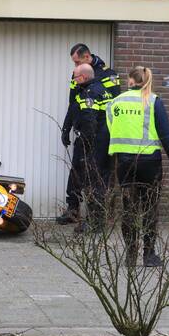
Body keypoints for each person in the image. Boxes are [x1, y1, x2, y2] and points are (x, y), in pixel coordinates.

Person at [106, 66, 169, 268]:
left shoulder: (115, 102)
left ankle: (130, 256)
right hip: (150, 163)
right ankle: (149, 255)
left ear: (131, 81)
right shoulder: (153, 101)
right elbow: (166, 135)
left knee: (129, 209)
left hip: (124, 163)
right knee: (149, 208)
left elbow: (111, 129)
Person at [57, 43, 121, 225]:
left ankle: (99, 216)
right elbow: (73, 104)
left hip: (101, 135)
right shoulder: (77, 74)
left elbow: (115, 106)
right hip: (83, 133)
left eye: (77, 62)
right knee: (77, 169)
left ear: (87, 57)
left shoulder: (109, 75)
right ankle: (73, 210)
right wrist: (66, 127)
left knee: (99, 174)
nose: (75, 66)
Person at [64, 63, 113, 233]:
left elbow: (89, 121)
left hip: (94, 144)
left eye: (76, 78)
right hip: (105, 143)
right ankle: (96, 221)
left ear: (83, 77)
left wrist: (85, 146)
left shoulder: (89, 93)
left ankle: (95, 223)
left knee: (93, 183)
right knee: (100, 182)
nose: (74, 81)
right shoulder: (103, 90)